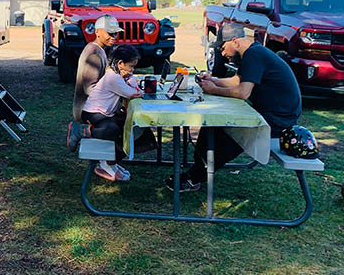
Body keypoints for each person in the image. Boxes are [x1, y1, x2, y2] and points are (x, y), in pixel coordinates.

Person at [166, 21, 302, 192]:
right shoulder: (252, 51)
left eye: (223, 48)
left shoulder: (254, 55)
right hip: (272, 113)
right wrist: (213, 80)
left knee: (229, 135)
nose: (222, 53)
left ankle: (196, 176)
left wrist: (213, 90)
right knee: (211, 125)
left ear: (235, 41)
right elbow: (237, 81)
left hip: (279, 120)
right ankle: (198, 171)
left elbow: (243, 92)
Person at [80, 45, 145, 182]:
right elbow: (134, 93)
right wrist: (132, 80)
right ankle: (82, 132)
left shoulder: (117, 76)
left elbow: (132, 90)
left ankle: (111, 162)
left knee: (128, 128)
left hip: (103, 114)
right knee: (113, 130)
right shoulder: (113, 78)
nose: (132, 70)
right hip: (93, 113)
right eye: (131, 66)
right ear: (120, 63)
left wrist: (129, 79)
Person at [66, 15, 119, 151]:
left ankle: (112, 160)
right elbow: (90, 89)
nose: (113, 37)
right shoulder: (94, 54)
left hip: (97, 106)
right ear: (97, 32)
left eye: (115, 33)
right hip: (87, 108)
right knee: (113, 130)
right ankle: (79, 131)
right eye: (110, 33)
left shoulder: (100, 50)